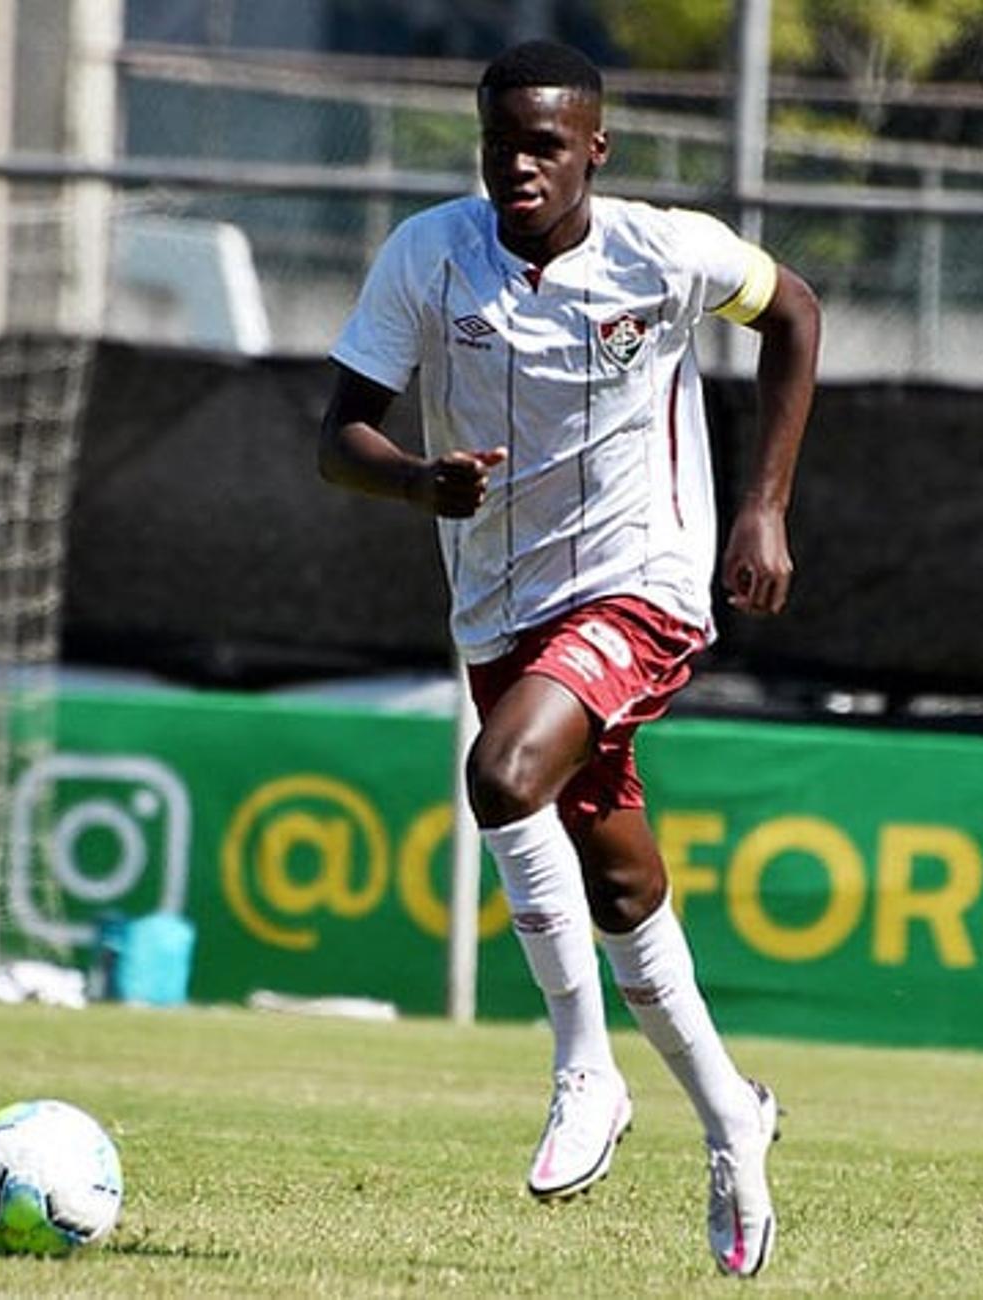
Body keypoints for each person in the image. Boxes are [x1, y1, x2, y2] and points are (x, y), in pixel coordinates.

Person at [318, 39, 819, 1279]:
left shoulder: (667, 253)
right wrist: (416, 481)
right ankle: (731, 1118)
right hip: (500, 608)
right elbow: (338, 436)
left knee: (501, 777)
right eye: (502, 143)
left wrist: (764, 505)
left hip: (643, 586)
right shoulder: (430, 256)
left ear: (596, 146)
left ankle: (581, 1064)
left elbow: (797, 314)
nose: (521, 166)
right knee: (622, 889)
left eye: (547, 144)